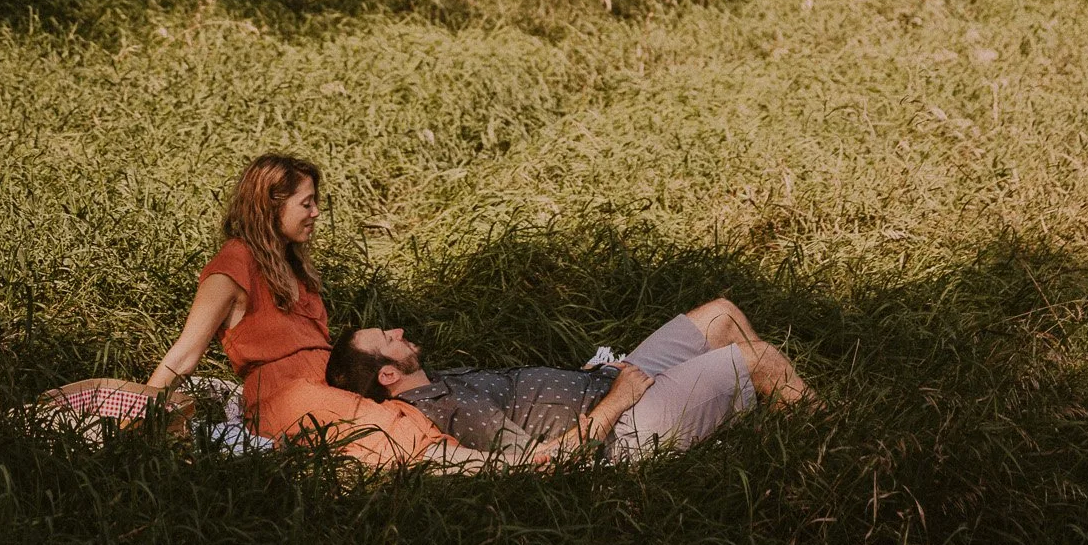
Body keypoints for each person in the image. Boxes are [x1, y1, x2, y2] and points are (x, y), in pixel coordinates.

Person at [144, 153, 494, 472]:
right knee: (383, 430)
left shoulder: (290, 264)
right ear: (271, 206)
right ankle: (502, 466)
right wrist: (136, 413)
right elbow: (186, 352)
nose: (316, 213)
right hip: (284, 395)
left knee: (405, 412)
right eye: (306, 203)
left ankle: (505, 455)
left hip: (326, 383)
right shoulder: (232, 265)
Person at [326, 295, 812, 462]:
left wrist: (586, 379)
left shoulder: (441, 379)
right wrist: (615, 400)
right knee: (757, 358)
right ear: (388, 373)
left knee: (720, 315)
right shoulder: (450, 410)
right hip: (626, 428)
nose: (398, 330)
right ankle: (829, 438)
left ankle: (771, 424)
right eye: (387, 338)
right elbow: (544, 465)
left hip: (608, 382)